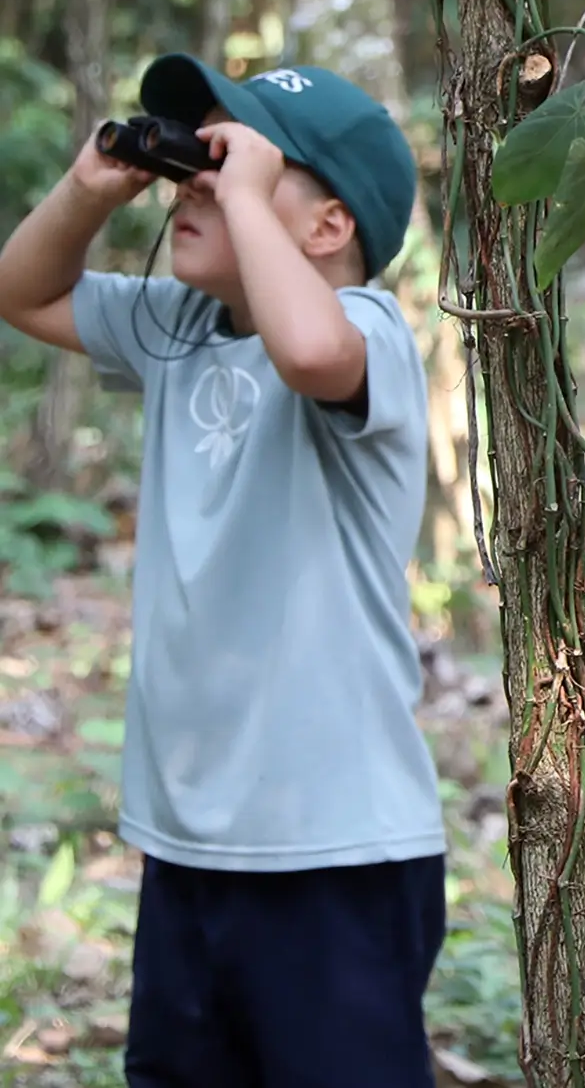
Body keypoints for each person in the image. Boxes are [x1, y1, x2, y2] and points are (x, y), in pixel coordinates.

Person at [0, 56, 442, 1086]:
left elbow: (311, 354)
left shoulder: (368, 331)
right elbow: (22, 292)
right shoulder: (175, 333)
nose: (201, 178)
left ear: (329, 229)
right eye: (197, 152)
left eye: (239, 158)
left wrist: (236, 194)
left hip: (333, 847)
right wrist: (88, 191)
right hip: (188, 844)